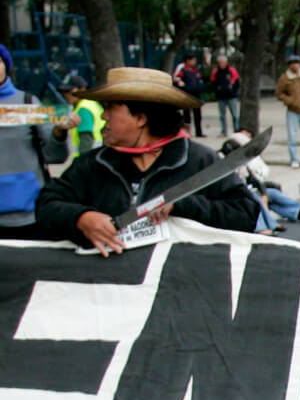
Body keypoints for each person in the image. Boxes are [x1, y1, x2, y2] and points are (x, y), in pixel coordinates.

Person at [35, 67, 259, 254]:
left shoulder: (200, 161)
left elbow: (246, 214)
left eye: (111, 108)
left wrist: (183, 205)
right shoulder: (93, 164)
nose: (103, 116)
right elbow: (46, 206)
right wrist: (81, 218)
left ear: (141, 118)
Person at [0, 44, 68, 238]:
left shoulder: (29, 103)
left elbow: (55, 156)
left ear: (6, 65)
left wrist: (59, 134)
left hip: (30, 215)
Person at [50, 72, 104, 159]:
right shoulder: (91, 103)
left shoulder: (83, 109)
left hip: (88, 161)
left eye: (69, 91)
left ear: (82, 89)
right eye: (64, 92)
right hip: (96, 157)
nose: (66, 95)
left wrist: (81, 164)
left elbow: (85, 141)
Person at [172, 52, 206, 136]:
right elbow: (176, 77)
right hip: (187, 95)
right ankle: (187, 132)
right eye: (193, 60)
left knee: (197, 114)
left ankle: (199, 132)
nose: (194, 62)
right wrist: (181, 82)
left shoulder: (195, 69)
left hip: (196, 94)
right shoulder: (182, 68)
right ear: (188, 60)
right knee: (187, 115)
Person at [210, 53, 241, 135]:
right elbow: (213, 83)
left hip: (231, 96)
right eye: (220, 62)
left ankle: (236, 130)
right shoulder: (216, 72)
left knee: (235, 115)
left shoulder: (232, 70)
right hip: (221, 97)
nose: (221, 64)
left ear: (226, 62)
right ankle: (224, 131)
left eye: (223, 62)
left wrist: (233, 91)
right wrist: (217, 91)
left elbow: (237, 83)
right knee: (222, 115)